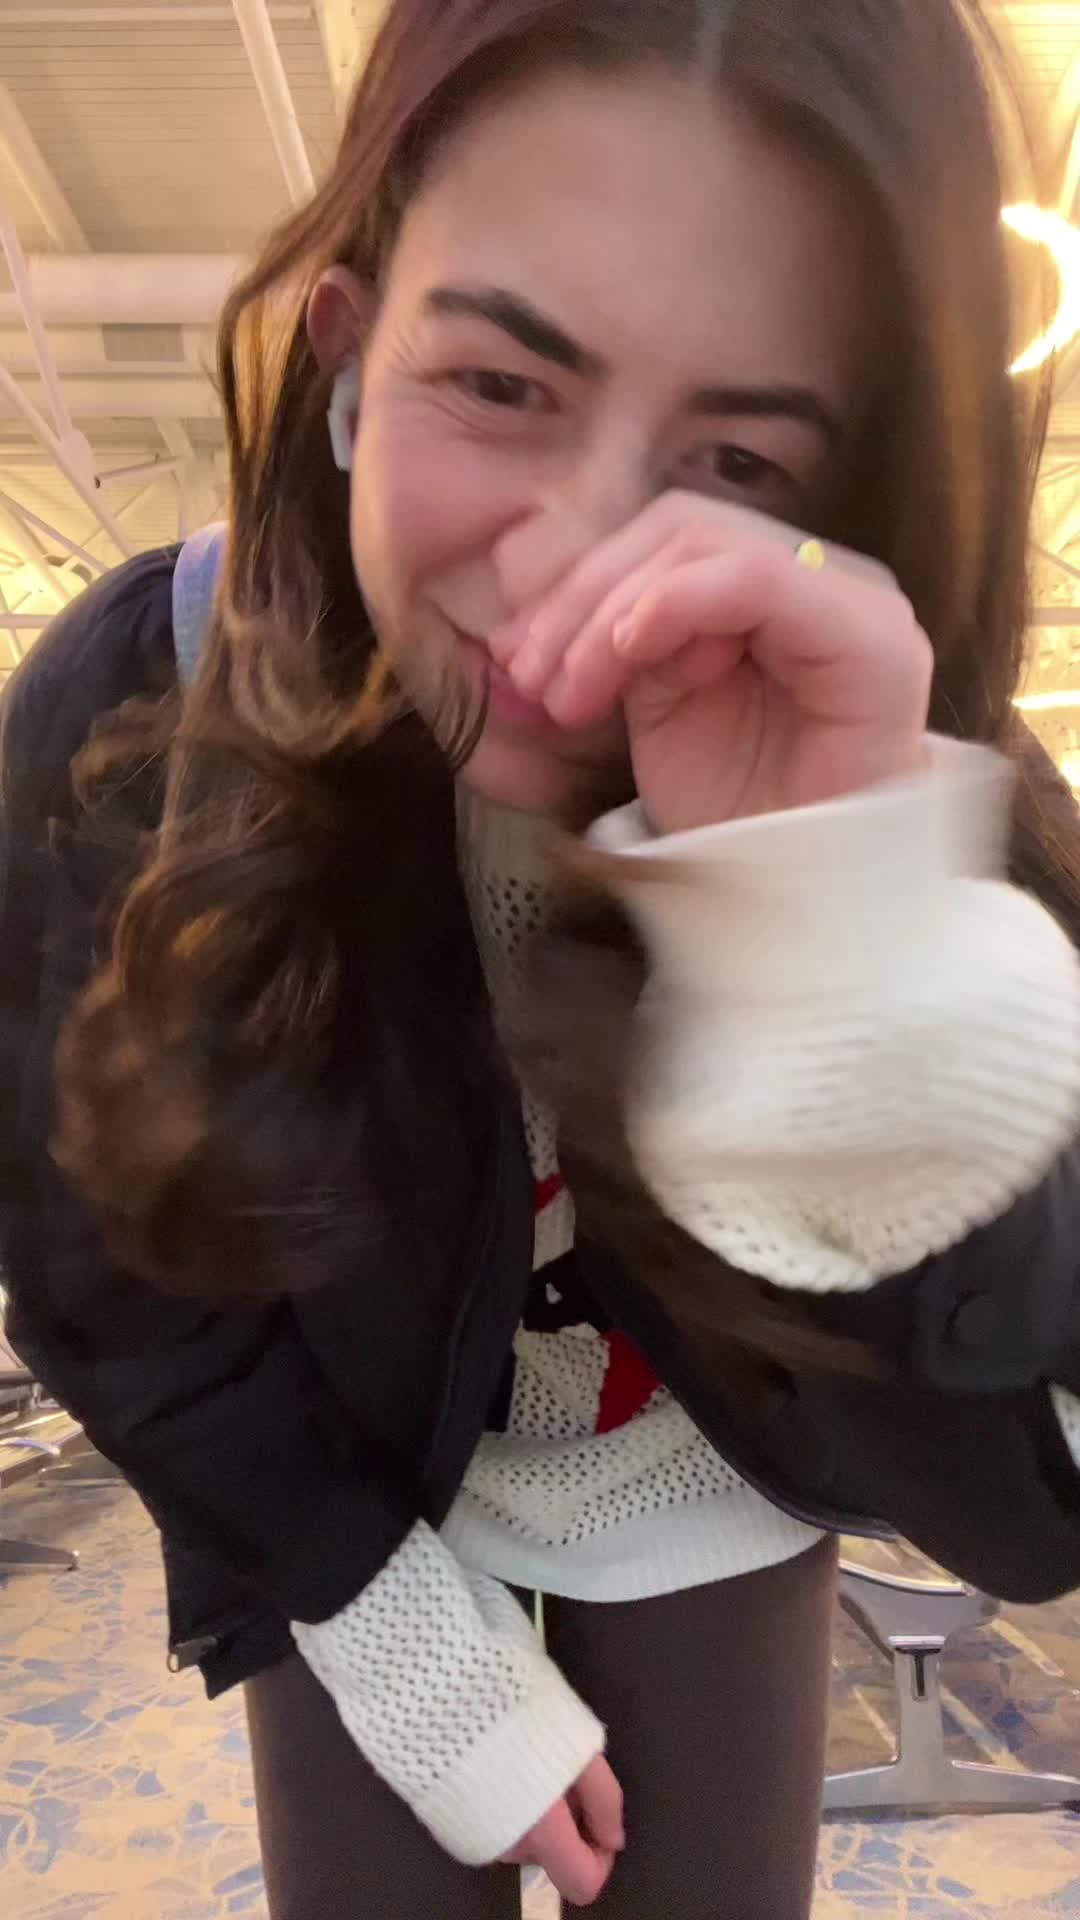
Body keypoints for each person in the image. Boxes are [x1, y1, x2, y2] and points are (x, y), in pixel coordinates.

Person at [3, 0, 1080, 1913]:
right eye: (500, 383)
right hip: (342, 1487)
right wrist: (382, 1622)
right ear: (349, 349)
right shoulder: (139, 715)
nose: (573, 575)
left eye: (741, 457)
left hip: (713, 1480)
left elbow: (1016, 1479)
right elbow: (91, 1259)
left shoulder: (914, 774)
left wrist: (842, 954)